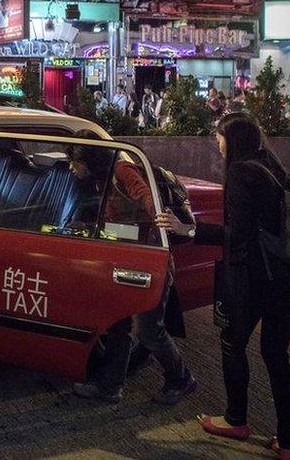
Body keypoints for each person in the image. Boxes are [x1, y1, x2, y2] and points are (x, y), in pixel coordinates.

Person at [156, 114, 290, 460]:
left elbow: (238, 237)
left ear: (232, 140)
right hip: (287, 277)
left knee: (232, 343)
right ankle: (289, 444)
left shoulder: (241, 173)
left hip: (255, 278)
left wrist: (189, 229)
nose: (216, 142)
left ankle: (236, 419)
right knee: (276, 356)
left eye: (219, 136)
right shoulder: (270, 164)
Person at [68, 130, 196, 405]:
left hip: (149, 259)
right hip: (125, 257)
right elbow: (119, 223)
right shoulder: (98, 181)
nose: (70, 167)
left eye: (73, 161)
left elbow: (145, 195)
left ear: (87, 158)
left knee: (149, 330)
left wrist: (162, 220)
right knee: (118, 325)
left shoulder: (121, 171)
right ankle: (110, 385)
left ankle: (181, 378)